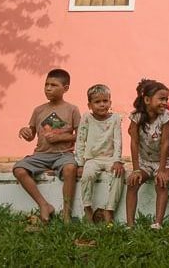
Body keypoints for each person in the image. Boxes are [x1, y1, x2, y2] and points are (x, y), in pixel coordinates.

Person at [13, 68, 80, 223]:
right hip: (41, 155)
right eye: (46, 84)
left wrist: (61, 138)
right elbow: (31, 134)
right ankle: (44, 205)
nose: (48, 88)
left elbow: (81, 136)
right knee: (19, 169)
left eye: (53, 85)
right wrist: (25, 131)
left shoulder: (72, 110)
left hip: (64, 154)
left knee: (70, 169)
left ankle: (66, 213)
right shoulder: (39, 110)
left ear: (65, 89)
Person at [126, 79, 169, 228]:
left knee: (161, 182)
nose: (164, 102)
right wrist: (135, 169)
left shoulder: (166, 116)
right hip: (144, 161)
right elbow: (134, 143)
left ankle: (158, 223)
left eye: (166, 99)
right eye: (161, 99)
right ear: (147, 100)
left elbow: (165, 143)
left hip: (164, 161)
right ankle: (130, 224)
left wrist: (161, 169)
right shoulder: (136, 117)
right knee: (132, 183)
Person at [74, 84, 124, 224]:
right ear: (89, 105)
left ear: (110, 102)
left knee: (118, 174)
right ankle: (88, 208)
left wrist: (117, 160)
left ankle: (110, 210)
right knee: (87, 175)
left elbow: (118, 140)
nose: (102, 105)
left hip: (110, 159)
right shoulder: (86, 118)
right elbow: (80, 140)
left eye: (105, 101)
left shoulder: (115, 118)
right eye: (97, 102)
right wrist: (80, 164)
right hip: (92, 159)